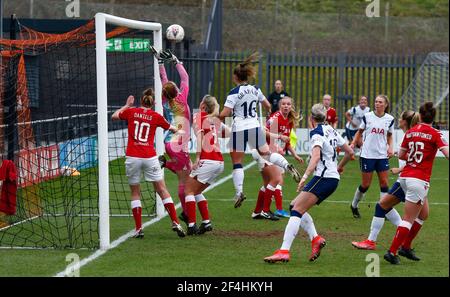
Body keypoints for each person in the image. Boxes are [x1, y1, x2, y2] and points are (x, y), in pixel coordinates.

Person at [264, 103, 354, 263]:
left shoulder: (316, 133)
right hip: (330, 178)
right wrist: (339, 167)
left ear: (311, 118)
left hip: (324, 178)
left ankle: (284, 251)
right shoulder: (332, 130)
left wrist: (304, 177)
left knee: (296, 210)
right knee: (294, 206)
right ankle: (316, 239)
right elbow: (350, 152)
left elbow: (316, 157)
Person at [219, 52, 301, 209]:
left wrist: (214, 117)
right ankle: (286, 166)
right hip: (255, 127)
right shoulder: (255, 89)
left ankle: (239, 192)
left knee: (237, 163)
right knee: (267, 154)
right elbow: (267, 105)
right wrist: (266, 113)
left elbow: (225, 113)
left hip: (239, 129)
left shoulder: (233, 93)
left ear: (236, 77)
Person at [111, 89, 186, 238]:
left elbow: (114, 116)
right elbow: (173, 129)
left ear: (141, 100)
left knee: (135, 192)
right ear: (153, 103)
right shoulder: (155, 116)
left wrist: (127, 105)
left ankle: (138, 229)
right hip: (149, 157)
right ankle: (176, 222)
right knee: (162, 190)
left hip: (132, 157)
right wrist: (181, 131)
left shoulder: (131, 112)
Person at [384, 102, 448, 264]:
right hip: (418, 180)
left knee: (423, 214)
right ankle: (392, 252)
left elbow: (403, 156)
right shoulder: (435, 133)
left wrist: (415, 157)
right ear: (434, 117)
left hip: (406, 178)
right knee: (408, 218)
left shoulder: (411, 132)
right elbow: (447, 153)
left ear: (420, 115)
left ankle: (406, 246)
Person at [351, 110, 423, 255]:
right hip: (421, 182)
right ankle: (405, 243)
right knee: (420, 215)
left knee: (382, 206)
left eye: (401, 118)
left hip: (406, 180)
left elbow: (409, 159)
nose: (398, 120)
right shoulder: (416, 134)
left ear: (404, 122)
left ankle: (377, 242)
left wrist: (399, 169)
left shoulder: (408, 136)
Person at [152, 47, 192, 224]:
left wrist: (160, 63)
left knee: (184, 172)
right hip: (179, 142)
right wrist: (176, 61)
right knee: (185, 178)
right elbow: (185, 77)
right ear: (176, 91)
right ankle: (186, 213)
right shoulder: (182, 98)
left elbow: (164, 81)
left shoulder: (164, 101)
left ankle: (166, 163)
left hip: (170, 141)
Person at [252, 96, 303, 220]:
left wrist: (295, 154)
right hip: (262, 150)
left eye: (288, 104)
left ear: (291, 106)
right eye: (283, 104)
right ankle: (266, 210)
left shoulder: (289, 121)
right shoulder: (275, 118)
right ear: (280, 106)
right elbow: (264, 133)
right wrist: (279, 138)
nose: (286, 106)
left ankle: (257, 212)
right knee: (277, 178)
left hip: (269, 152)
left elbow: (287, 141)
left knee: (267, 184)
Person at [184, 95, 229, 235]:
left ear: (203, 105)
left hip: (208, 160)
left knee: (188, 191)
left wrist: (197, 157)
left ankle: (191, 226)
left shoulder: (199, 116)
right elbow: (228, 133)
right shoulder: (213, 120)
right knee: (197, 191)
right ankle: (206, 222)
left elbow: (200, 137)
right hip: (219, 162)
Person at [349, 95, 396, 219]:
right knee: (365, 185)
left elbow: (390, 135)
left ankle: (383, 209)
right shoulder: (367, 116)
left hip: (382, 155)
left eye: (380, 102)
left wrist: (390, 147)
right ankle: (354, 205)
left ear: (385, 105)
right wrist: (353, 143)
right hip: (367, 155)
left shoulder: (390, 119)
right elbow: (359, 132)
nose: (377, 104)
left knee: (384, 183)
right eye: (376, 101)